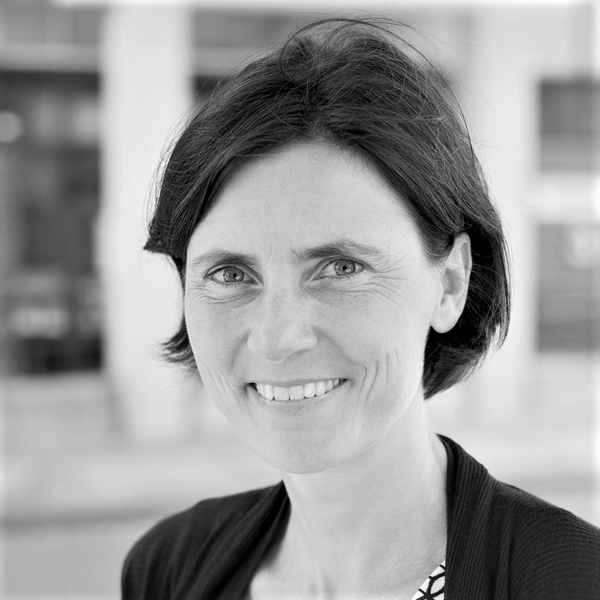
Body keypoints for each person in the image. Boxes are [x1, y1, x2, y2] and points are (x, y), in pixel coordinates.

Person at [121, 17, 600, 600]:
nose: (277, 338)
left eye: (341, 268)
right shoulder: (168, 569)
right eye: (230, 275)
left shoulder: (572, 582)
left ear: (450, 282)